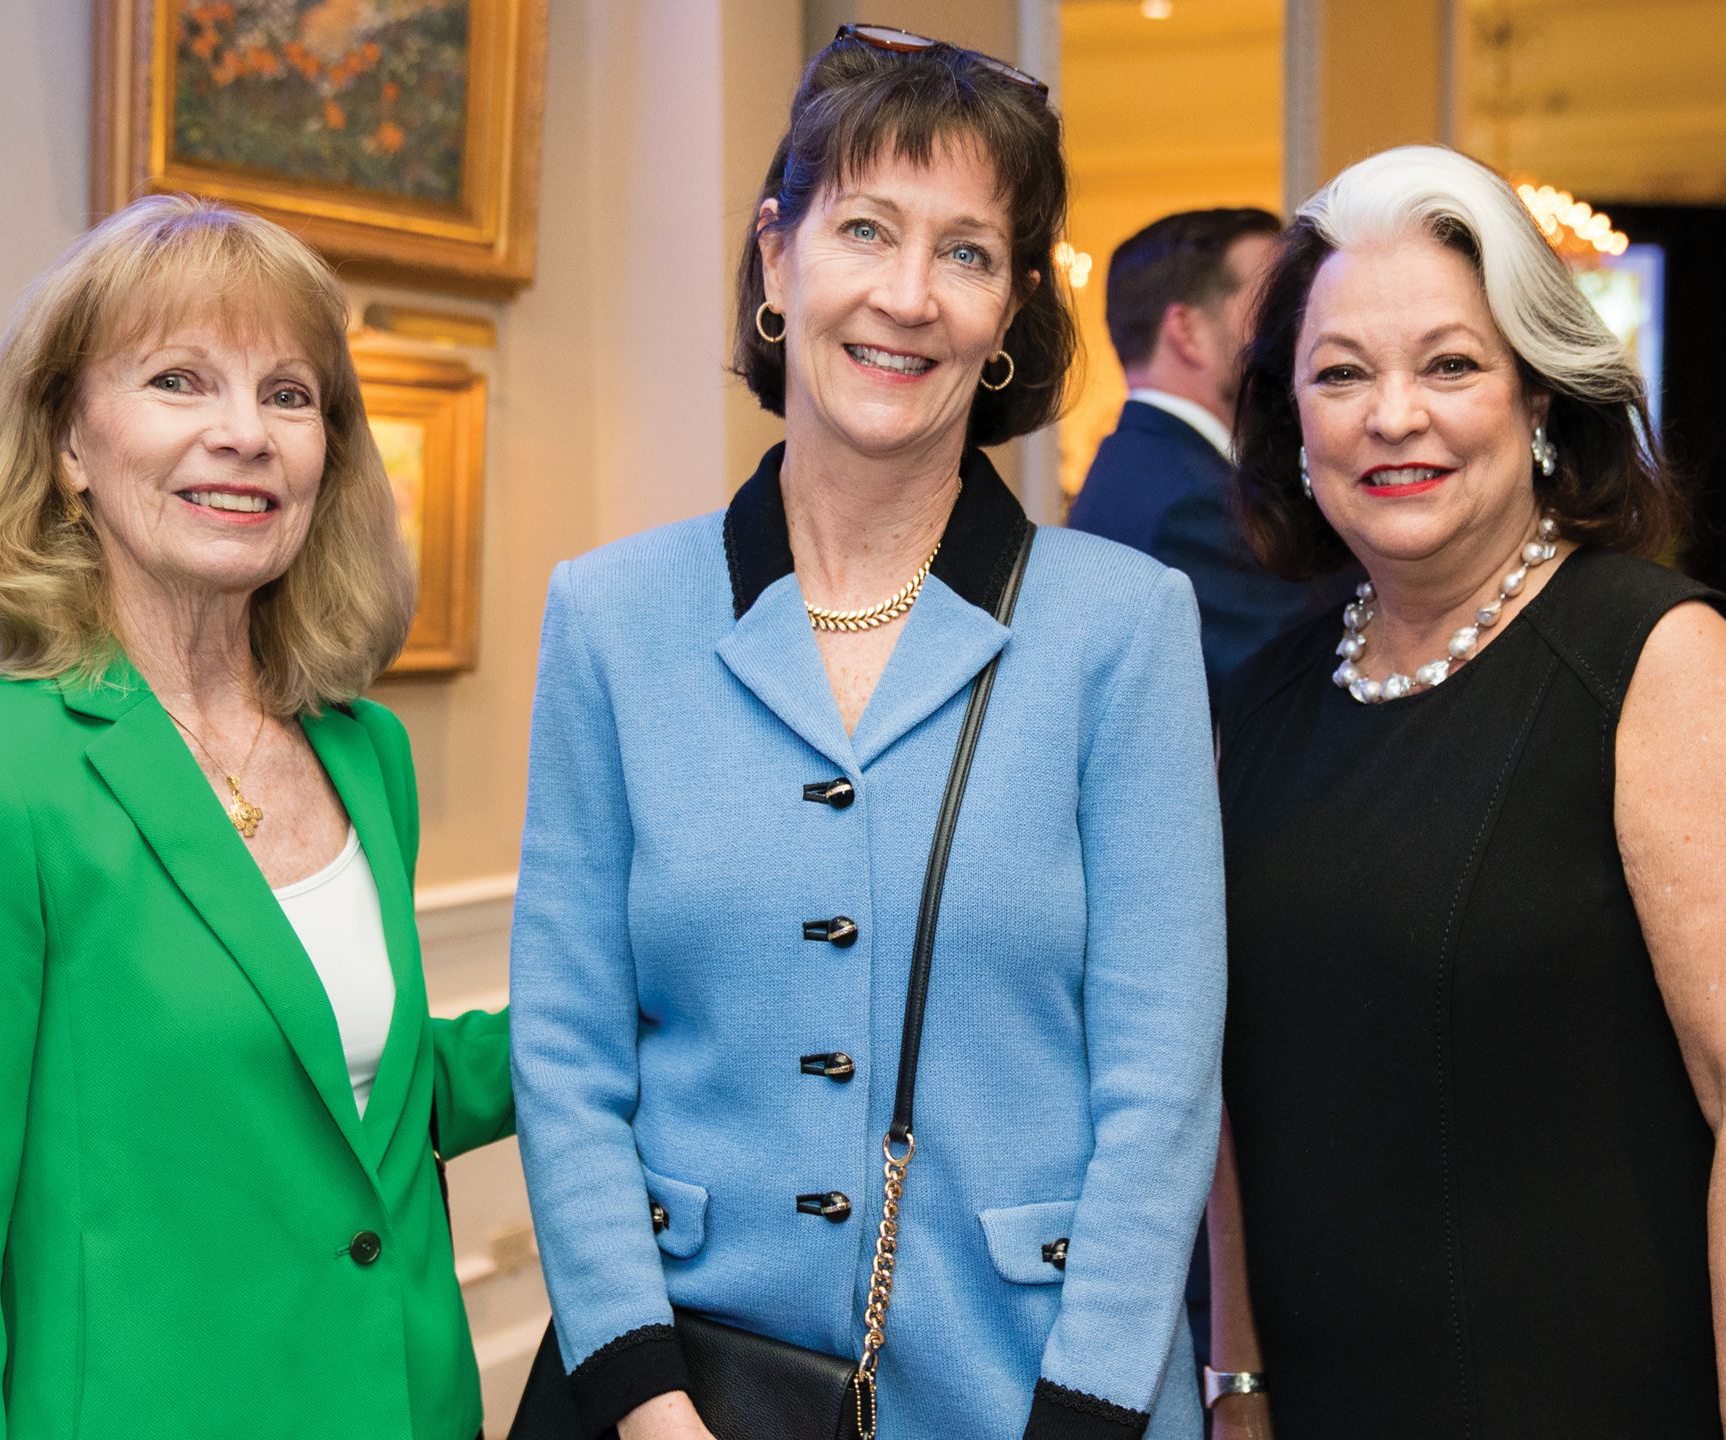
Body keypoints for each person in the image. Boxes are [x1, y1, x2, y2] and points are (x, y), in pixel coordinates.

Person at [510, 27, 1225, 1440]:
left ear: (1016, 307)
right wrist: (644, 1402)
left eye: (967, 253)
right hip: (689, 1391)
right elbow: (567, 1053)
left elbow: (1160, 1080)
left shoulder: (1123, 625)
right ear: (778, 259)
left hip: (1039, 1390)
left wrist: (1085, 1414)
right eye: (865, 229)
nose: (908, 297)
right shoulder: (611, 617)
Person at [0, 195, 514, 1438]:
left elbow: (356, 1091)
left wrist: (644, 998)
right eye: (181, 381)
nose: (244, 435)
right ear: (68, 443)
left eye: (290, 395)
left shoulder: (366, 754)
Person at [1202, 145, 1726, 1438]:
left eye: (1449, 365)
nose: (1393, 415)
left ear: (1541, 398)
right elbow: (1232, 1097)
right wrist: (1240, 1384)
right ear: (1293, 421)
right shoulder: (1261, 698)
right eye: (1341, 374)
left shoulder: (1661, 665)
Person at [1068, 207, 1340, 696]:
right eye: (1270, 303)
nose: (1294, 329)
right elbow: (1301, 678)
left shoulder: (1148, 467)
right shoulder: (1184, 503)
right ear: (1187, 331)